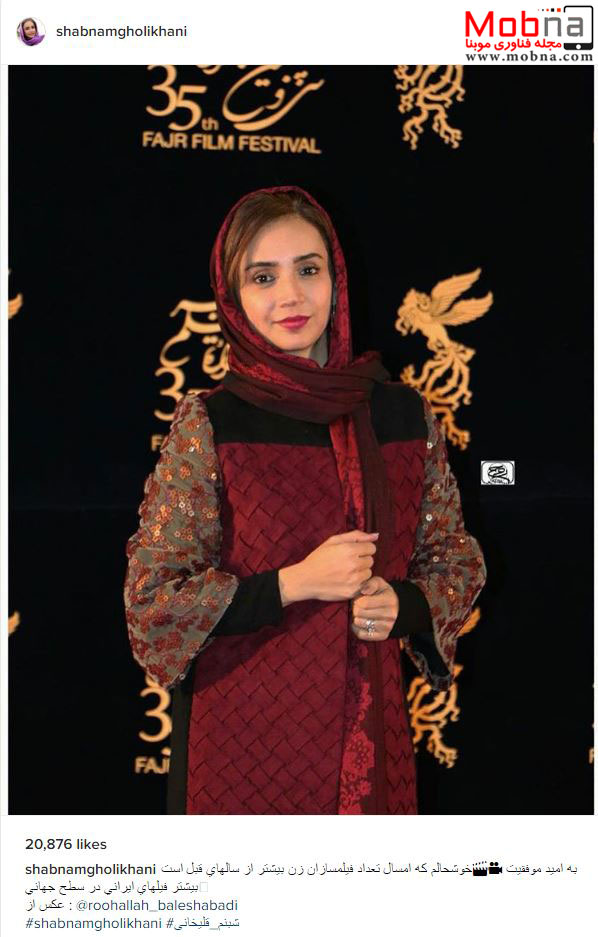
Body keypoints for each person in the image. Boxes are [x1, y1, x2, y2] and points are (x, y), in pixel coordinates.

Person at [124, 185, 487, 815]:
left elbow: (454, 558)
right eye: (263, 277)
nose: (290, 296)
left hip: (371, 740)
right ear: (232, 297)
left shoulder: (402, 415)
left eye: (309, 270)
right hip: (241, 746)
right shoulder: (211, 424)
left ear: (337, 280)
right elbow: (154, 601)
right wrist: (293, 583)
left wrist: (405, 603)